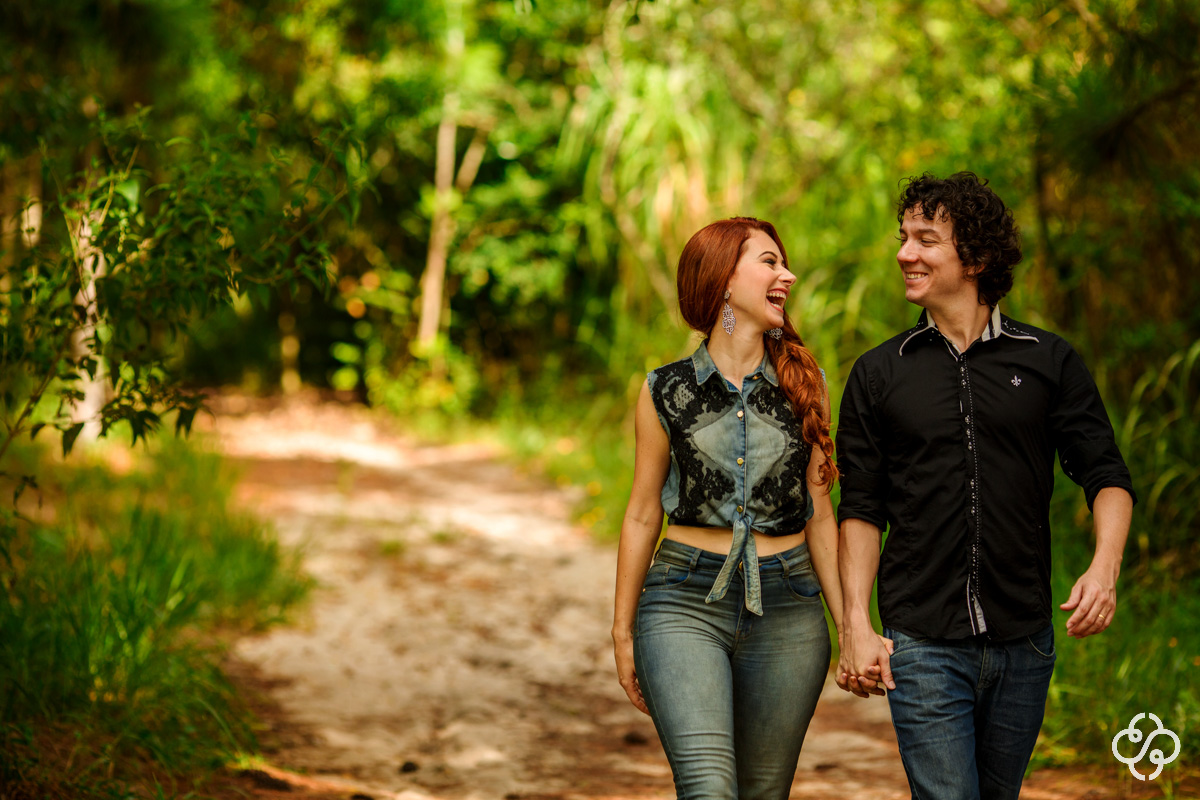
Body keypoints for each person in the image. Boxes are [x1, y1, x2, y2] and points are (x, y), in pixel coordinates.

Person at [836, 172, 1136, 799]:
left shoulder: (1049, 361)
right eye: (903, 237)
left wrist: (1104, 567)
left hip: (1024, 640)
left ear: (973, 257)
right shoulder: (877, 374)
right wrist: (856, 625)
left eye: (925, 239)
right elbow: (861, 509)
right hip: (920, 642)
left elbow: (1105, 474)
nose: (904, 254)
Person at [612, 217, 883, 799]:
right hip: (682, 602)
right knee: (709, 789)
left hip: (790, 610)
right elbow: (641, 513)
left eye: (784, 263)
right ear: (724, 281)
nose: (786, 275)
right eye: (769, 262)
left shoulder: (807, 383)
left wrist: (851, 626)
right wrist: (622, 630)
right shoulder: (664, 390)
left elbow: (820, 512)